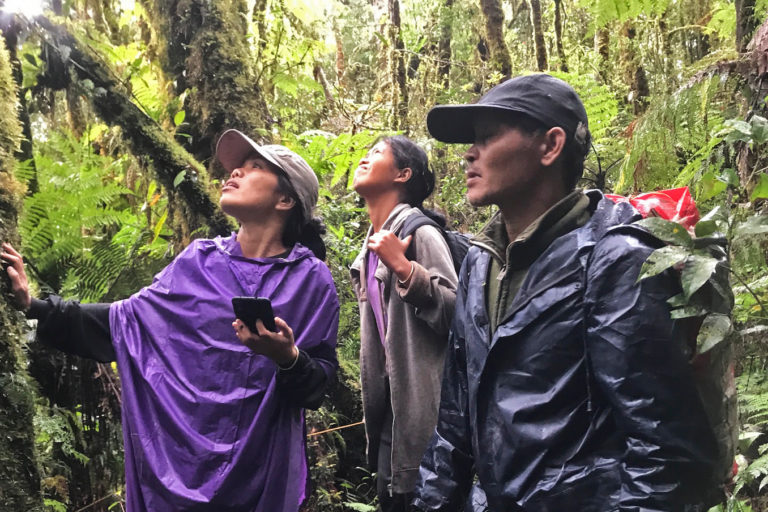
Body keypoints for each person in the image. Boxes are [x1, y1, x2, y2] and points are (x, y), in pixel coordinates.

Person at [412, 74, 720, 511]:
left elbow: (663, 449)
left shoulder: (616, 259)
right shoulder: (482, 262)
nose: (469, 153)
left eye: (487, 136)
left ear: (550, 146)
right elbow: (454, 423)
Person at [1, 129, 340, 512]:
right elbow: (123, 324)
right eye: (237, 167)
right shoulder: (199, 261)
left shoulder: (311, 280)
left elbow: (317, 385)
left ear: (286, 199)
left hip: (259, 474)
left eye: (254, 167)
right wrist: (34, 306)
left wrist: (287, 358)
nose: (234, 173)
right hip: (178, 466)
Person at [351, 136, 458, 511]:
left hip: (427, 426)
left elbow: (456, 314)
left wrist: (406, 268)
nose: (365, 158)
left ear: (403, 174)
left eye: (376, 153)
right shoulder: (369, 248)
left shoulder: (420, 234)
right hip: (390, 422)